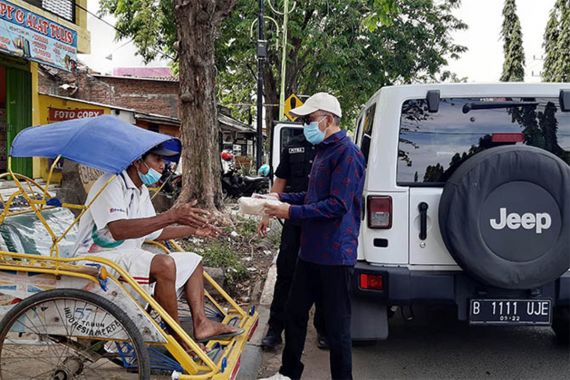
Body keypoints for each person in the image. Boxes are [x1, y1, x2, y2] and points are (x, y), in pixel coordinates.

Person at [73, 143, 243, 348]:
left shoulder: (140, 190)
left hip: (125, 256)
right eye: (157, 160)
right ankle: (178, 341)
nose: (163, 166)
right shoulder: (110, 183)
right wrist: (171, 216)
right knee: (164, 264)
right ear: (138, 162)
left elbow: (154, 231)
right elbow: (119, 229)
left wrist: (191, 230)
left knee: (192, 261)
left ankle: (202, 323)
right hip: (97, 259)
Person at [261, 92, 365, 380]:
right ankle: (288, 373)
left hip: (335, 255)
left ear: (328, 119)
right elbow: (311, 196)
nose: (305, 125)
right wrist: (276, 200)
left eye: (309, 119)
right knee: (294, 313)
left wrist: (289, 212)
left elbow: (337, 205)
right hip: (310, 251)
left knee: (337, 328)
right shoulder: (323, 151)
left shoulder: (347, 153)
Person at [258, 132, 327, 350]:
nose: (310, 124)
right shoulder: (293, 145)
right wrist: (266, 214)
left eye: (312, 118)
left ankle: (323, 329)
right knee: (286, 274)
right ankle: (275, 329)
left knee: (322, 276)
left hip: (321, 224)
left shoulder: (332, 148)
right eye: (306, 120)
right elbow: (280, 181)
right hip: (294, 221)